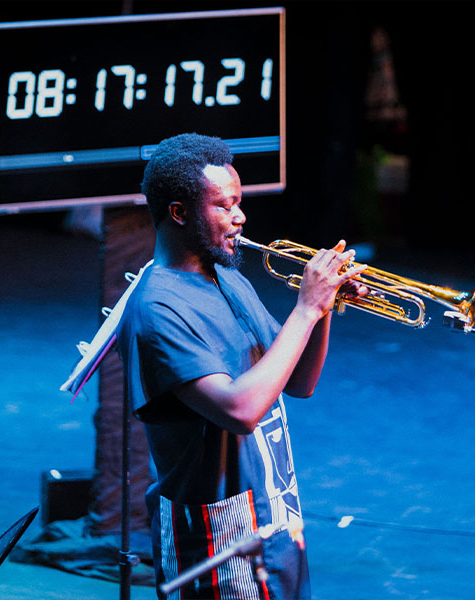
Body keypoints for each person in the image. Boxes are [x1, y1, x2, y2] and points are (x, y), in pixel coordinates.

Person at [118, 133, 365, 599]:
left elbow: (300, 382)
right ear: (179, 212)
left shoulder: (227, 277)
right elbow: (241, 410)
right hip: (219, 541)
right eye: (224, 206)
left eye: (239, 202)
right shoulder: (158, 309)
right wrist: (306, 309)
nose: (240, 217)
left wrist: (325, 306)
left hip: (275, 516)